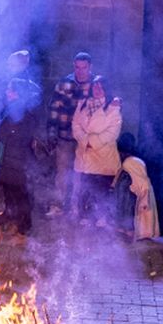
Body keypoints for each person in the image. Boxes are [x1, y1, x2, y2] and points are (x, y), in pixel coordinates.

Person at [46, 52, 95, 215]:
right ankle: (57, 205)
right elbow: (54, 108)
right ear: (73, 65)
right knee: (62, 173)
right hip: (65, 136)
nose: (80, 71)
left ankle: (77, 208)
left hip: (86, 140)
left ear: (90, 67)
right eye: (77, 67)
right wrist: (52, 133)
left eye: (84, 68)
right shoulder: (64, 83)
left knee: (82, 175)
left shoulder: (96, 85)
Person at [71, 76, 122, 225]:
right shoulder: (83, 105)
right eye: (95, 86)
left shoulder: (113, 106)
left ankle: (101, 220)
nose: (97, 89)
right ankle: (85, 218)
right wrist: (84, 141)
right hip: (84, 157)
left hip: (102, 158)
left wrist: (92, 142)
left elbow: (113, 131)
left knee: (100, 192)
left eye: (101, 86)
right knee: (85, 190)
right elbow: (75, 125)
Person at [0, 78, 42, 235]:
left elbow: (21, 135)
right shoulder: (10, 109)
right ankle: (9, 214)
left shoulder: (24, 113)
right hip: (7, 159)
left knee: (20, 193)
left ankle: (25, 224)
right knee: (8, 190)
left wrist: (6, 134)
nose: (7, 92)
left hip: (19, 161)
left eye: (11, 90)